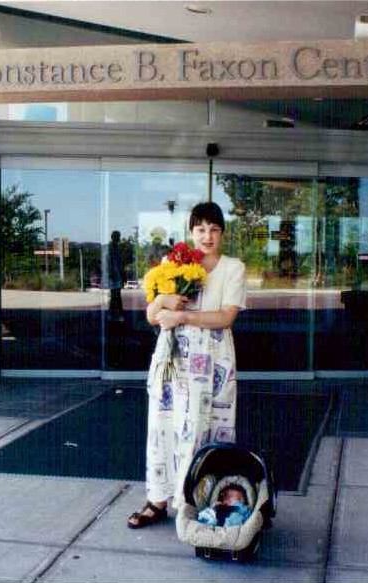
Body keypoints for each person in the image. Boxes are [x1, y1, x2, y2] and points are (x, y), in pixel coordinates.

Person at [127, 201, 247, 529]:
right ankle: (157, 500)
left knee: (201, 427)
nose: (207, 236)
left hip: (211, 362)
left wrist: (181, 315)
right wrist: (164, 301)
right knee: (162, 425)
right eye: (200, 229)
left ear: (222, 232)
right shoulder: (173, 262)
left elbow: (226, 316)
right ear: (191, 232)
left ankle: (194, 501)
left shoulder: (232, 268)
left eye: (214, 229)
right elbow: (152, 315)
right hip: (174, 360)